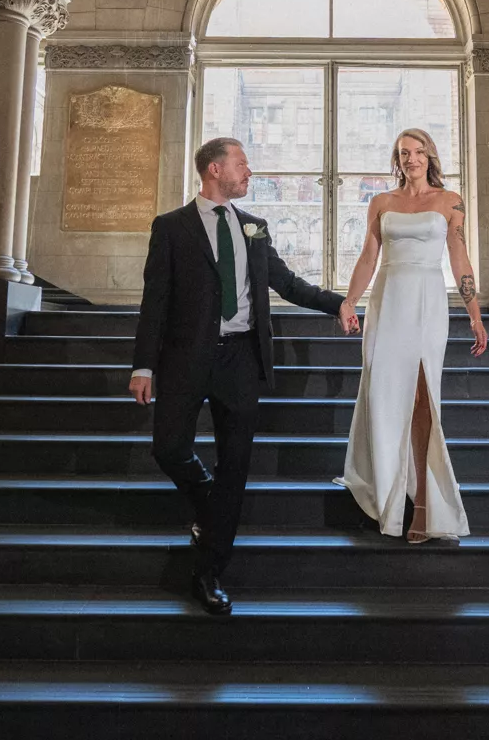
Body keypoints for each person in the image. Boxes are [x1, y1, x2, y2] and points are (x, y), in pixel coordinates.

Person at [130, 137, 356, 615]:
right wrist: (143, 365)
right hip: (186, 358)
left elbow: (287, 282)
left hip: (241, 360)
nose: (249, 172)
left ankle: (210, 571)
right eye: (242, 164)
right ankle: (210, 505)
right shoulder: (171, 227)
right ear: (215, 169)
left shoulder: (254, 227)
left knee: (236, 466)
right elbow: (156, 301)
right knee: (168, 447)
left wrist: (339, 303)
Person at [336, 128, 485, 542]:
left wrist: (474, 315)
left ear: (430, 156)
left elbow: (460, 259)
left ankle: (422, 504)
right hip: (387, 301)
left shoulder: (449, 201)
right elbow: (369, 257)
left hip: (426, 302)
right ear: (397, 159)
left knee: (422, 399)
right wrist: (349, 301)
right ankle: (387, 490)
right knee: (383, 395)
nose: (411, 158)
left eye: (418, 151)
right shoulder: (382, 202)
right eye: (404, 152)